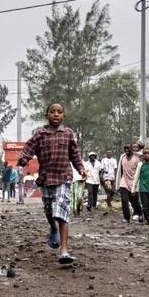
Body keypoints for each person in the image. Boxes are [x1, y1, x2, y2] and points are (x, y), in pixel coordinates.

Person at [18, 103, 87, 265]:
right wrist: (24, 158)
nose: (56, 114)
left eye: (59, 112)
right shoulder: (39, 135)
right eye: (52, 112)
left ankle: (64, 251)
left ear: (64, 116)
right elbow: (27, 150)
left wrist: (81, 169)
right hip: (46, 179)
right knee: (49, 210)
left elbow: (75, 155)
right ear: (46, 115)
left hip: (64, 177)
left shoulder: (68, 134)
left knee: (61, 210)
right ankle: (53, 228)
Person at [117, 144, 145, 224]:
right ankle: (127, 218)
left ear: (131, 149)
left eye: (128, 148)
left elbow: (140, 170)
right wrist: (120, 180)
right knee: (124, 200)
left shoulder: (137, 158)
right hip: (124, 181)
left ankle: (140, 213)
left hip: (134, 182)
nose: (126, 150)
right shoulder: (122, 158)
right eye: (125, 149)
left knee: (135, 201)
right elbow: (120, 170)